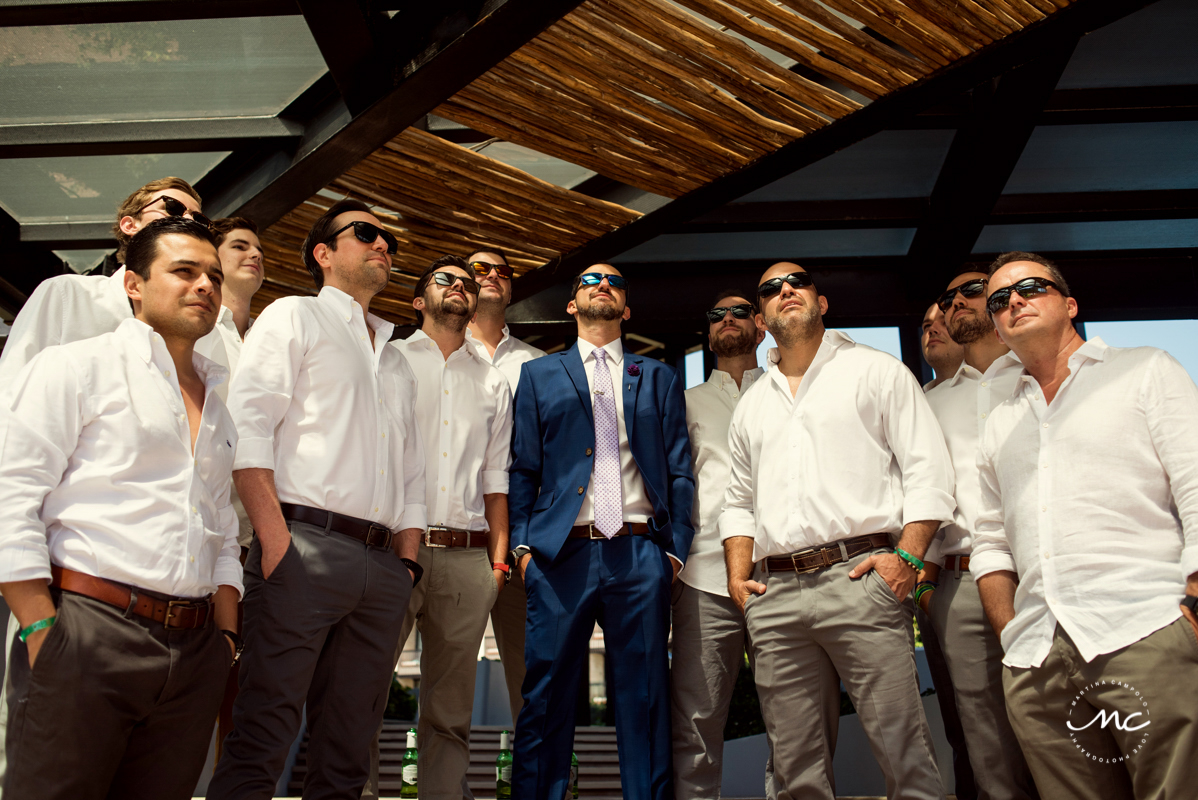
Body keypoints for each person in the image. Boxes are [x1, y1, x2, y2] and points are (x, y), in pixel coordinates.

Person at [0, 218, 241, 800]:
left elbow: (225, 529)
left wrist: (225, 641)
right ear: (132, 283)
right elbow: (11, 493)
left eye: (213, 274)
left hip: (194, 649)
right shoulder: (74, 366)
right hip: (87, 630)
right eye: (184, 271)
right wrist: (40, 627)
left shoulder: (219, 402)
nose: (205, 285)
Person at [208, 199, 426, 800]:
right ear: (323, 254)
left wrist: (404, 565)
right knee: (262, 734)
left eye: (388, 238)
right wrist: (277, 543)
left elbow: (412, 475)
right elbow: (246, 432)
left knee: (349, 749)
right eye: (365, 233)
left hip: (382, 571)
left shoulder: (397, 358)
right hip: (301, 549)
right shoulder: (293, 318)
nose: (382, 243)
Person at [721, 261, 953, 800]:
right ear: (761, 318)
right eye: (771, 289)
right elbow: (737, 501)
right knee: (795, 771)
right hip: (774, 596)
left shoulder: (877, 371)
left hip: (863, 580)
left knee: (905, 754)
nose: (785, 291)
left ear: (821, 301)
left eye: (797, 282)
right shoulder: (752, 403)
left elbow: (929, 472)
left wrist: (909, 560)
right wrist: (739, 579)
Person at [973, 252, 1198, 800]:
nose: (1014, 302)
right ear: (999, 330)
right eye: (1000, 300)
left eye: (1030, 288)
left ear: (1070, 304)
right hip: (1037, 662)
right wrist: (1010, 635)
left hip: (1144, 628)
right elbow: (990, 539)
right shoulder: (999, 421)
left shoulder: (1145, 369)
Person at [508, 264, 694, 800]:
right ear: (572, 305)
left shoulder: (657, 376)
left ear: (626, 309)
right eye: (590, 282)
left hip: (639, 553)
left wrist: (673, 553)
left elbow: (680, 471)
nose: (602, 286)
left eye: (613, 282)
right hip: (559, 553)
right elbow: (523, 467)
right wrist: (524, 549)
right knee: (545, 697)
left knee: (647, 698)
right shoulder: (539, 375)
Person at [365, 255, 513, 800]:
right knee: (362, 697)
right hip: (389, 553)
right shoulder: (388, 361)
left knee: (450, 715)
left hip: (469, 561)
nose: (459, 288)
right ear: (416, 299)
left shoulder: (493, 380)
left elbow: (496, 480)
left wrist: (497, 564)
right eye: (445, 279)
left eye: (467, 284)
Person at [921, 272, 1036, 800]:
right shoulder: (928, 402)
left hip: (1044, 570)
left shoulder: (1040, 374)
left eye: (971, 290)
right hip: (962, 583)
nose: (956, 303)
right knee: (985, 739)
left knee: (1066, 723)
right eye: (948, 298)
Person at [671, 290, 768, 798]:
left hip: (783, 575)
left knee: (795, 723)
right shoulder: (683, 402)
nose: (727, 320)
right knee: (696, 722)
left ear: (762, 325)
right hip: (705, 576)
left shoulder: (788, 391)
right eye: (716, 315)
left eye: (739, 312)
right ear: (709, 334)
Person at [0, 176, 206, 386]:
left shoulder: (202, 321)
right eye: (172, 207)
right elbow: (12, 384)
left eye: (199, 219)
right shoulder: (69, 294)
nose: (188, 221)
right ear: (129, 224)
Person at [464, 245, 546, 726]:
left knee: (530, 684)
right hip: (448, 535)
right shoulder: (434, 354)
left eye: (502, 270)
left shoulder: (540, 365)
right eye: (480, 269)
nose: (492, 275)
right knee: (441, 679)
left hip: (520, 543)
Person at [920, 301, 964, 390]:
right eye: (927, 326)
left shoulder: (997, 389)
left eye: (945, 322)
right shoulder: (916, 400)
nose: (932, 329)